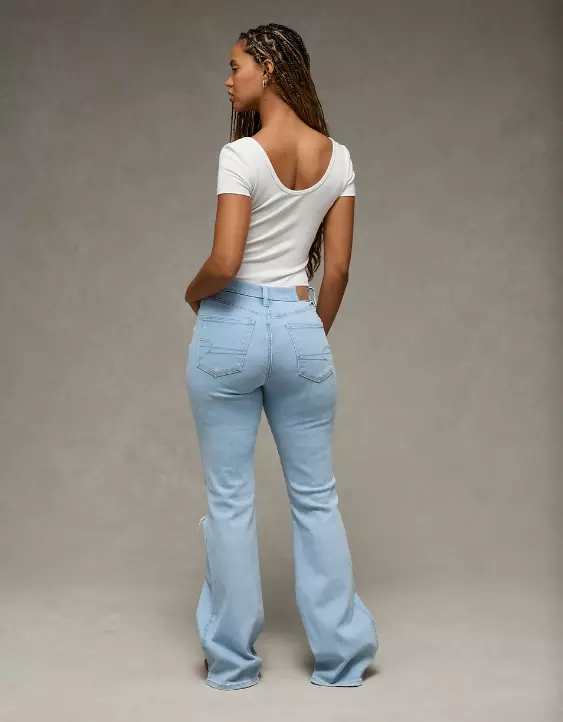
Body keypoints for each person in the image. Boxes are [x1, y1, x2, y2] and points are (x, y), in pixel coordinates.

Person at [184, 22, 379, 691]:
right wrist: (307, 333)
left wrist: (192, 295)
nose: (228, 79)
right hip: (301, 325)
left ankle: (233, 664)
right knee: (316, 499)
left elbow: (225, 261)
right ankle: (342, 659)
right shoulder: (338, 156)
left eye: (235, 65)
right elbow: (338, 270)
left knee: (230, 501)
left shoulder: (240, 154)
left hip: (231, 325)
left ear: (267, 68)